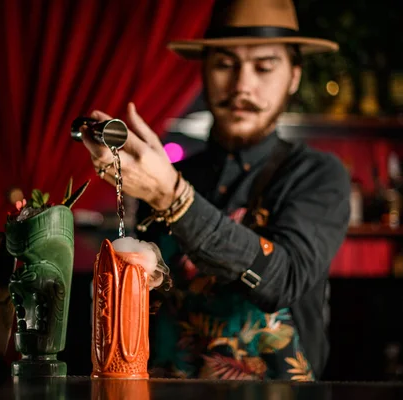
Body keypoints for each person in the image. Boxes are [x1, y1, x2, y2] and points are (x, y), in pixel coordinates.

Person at [81, 0, 350, 381]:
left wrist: (172, 198)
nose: (243, 85)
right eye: (225, 65)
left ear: (293, 76)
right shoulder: (171, 174)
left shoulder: (316, 175)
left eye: (264, 67)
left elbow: (283, 280)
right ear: (203, 72)